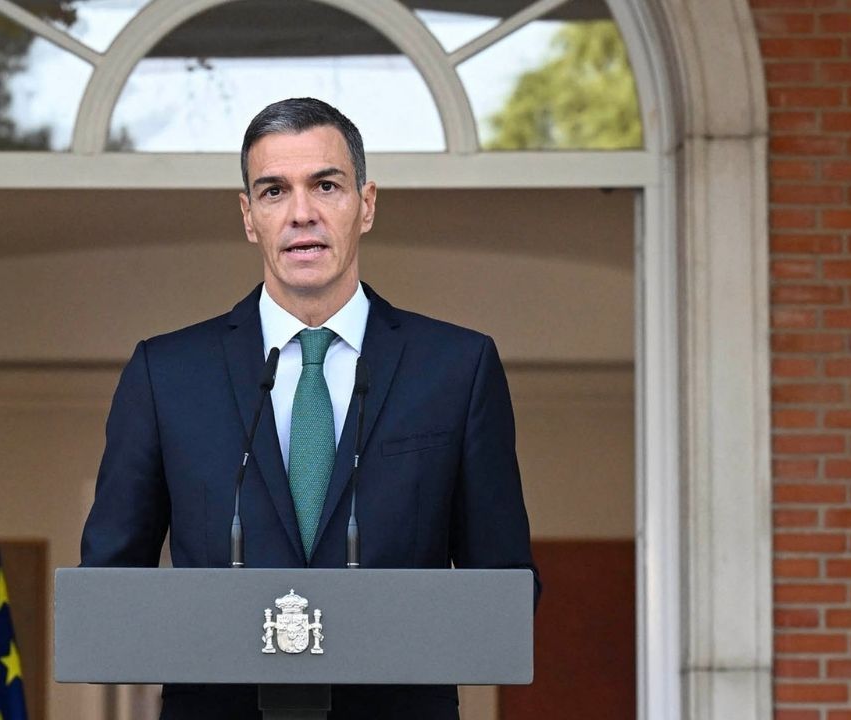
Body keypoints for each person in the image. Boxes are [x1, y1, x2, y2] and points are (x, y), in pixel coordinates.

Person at [80, 97, 539, 720]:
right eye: (274, 191)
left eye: (326, 185)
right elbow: (107, 591)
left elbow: (506, 589)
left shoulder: (457, 368)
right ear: (249, 217)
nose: (302, 213)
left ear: (366, 204)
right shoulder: (166, 374)